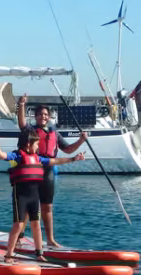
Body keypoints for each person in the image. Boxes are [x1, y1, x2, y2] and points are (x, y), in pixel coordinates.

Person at [0, 127, 84, 263]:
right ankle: (9, 255)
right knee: (18, 225)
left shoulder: (37, 158)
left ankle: (39, 254)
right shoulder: (18, 156)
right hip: (20, 196)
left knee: (36, 225)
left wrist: (73, 159)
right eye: (36, 144)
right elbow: (1, 155)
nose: (38, 147)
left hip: (34, 196)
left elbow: (55, 161)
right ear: (28, 144)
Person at [16, 94, 87, 247]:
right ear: (35, 116)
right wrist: (21, 105)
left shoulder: (54, 133)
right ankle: (19, 236)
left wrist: (81, 140)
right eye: (40, 114)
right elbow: (21, 123)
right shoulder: (31, 130)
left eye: (46, 114)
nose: (43, 116)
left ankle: (50, 239)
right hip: (33, 171)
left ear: (49, 117)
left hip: (48, 173)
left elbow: (68, 149)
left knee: (47, 207)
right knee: (29, 206)